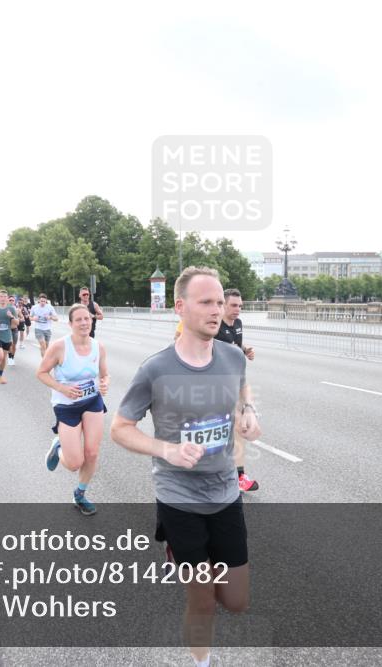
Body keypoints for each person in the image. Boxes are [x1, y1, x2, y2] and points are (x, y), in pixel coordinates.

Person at [111, 267, 261, 667]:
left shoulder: (231, 356)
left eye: (219, 302)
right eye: (206, 302)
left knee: (236, 600)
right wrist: (166, 450)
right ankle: (201, 662)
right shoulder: (156, 369)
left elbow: (242, 393)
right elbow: (120, 429)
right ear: (180, 307)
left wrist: (248, 412)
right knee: (204, 599)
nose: (216, 310)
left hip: (226, 492)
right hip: (179, 498)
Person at [37, 304, 109, 516]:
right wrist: (62, 388)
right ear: (70, 324)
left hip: (92, 401)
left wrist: (105, 383)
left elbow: (105, 374)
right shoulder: (60, 347)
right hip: (66, 406)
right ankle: (58, 447)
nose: (84, 322)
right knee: (74, 463)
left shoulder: (99, 347)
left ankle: (80, 494)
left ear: (92, 321)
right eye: (78, 319)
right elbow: (41, 372)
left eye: (87, 318)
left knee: (92, 452)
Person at [217, 289, 259, 493]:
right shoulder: (215, 325)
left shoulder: (239, 325)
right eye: (233, 305)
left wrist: (246, 350)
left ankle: (237, 475)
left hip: (235, 383)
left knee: (236, 429)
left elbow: (236, 346)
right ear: (223, 305)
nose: (238, 309)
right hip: (215, 386)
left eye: (240, 306)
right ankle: (234, 475)